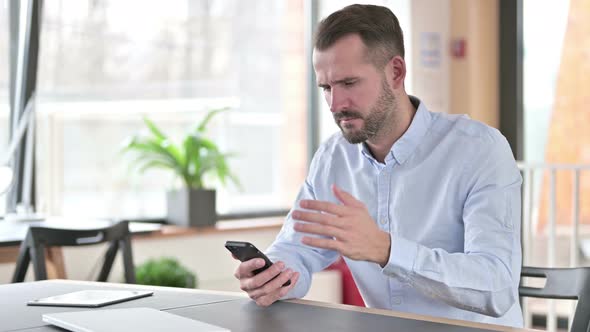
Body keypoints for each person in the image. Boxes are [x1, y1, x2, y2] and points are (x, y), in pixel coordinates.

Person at [231, 4, 523, 327]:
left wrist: (387, 249)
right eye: (326, 88)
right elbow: (298, 250)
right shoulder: (332, 159)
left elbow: (497, 286)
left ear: (396, 72)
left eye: (349, 83)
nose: (335, 104)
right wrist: (274, 276)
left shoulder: (479, 150)